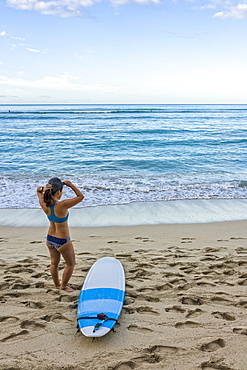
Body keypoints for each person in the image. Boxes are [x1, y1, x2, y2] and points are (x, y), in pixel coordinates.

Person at [36, 178, 84, 292]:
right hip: (62, 240)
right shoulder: (62, 205)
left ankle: (57, 284)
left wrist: (43, 189)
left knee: (54, 263)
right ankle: (63, 286)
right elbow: (80, 197)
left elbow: (38, 190)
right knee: (71, 264)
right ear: (59, 192)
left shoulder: (43, 202)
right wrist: (71, 185)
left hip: (50, 239)